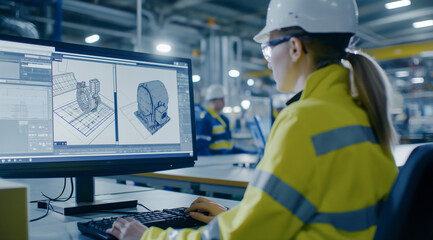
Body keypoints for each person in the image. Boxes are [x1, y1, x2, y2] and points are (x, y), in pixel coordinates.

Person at [107, 0, 398, 239]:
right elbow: (300, 215)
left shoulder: (303, 119)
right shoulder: (359, 110)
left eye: (269, 47)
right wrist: (239, 218)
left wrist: (147, 236)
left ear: (294, 48)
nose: (267, 59)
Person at [195, 84, 253, 155]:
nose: (224, 102)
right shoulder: (205, 120)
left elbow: (228, 146)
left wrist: (249, 153)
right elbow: (201, 149)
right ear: (213, 100)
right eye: (221, 99)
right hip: (216, 163)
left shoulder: (224, 119)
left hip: (226, 161)